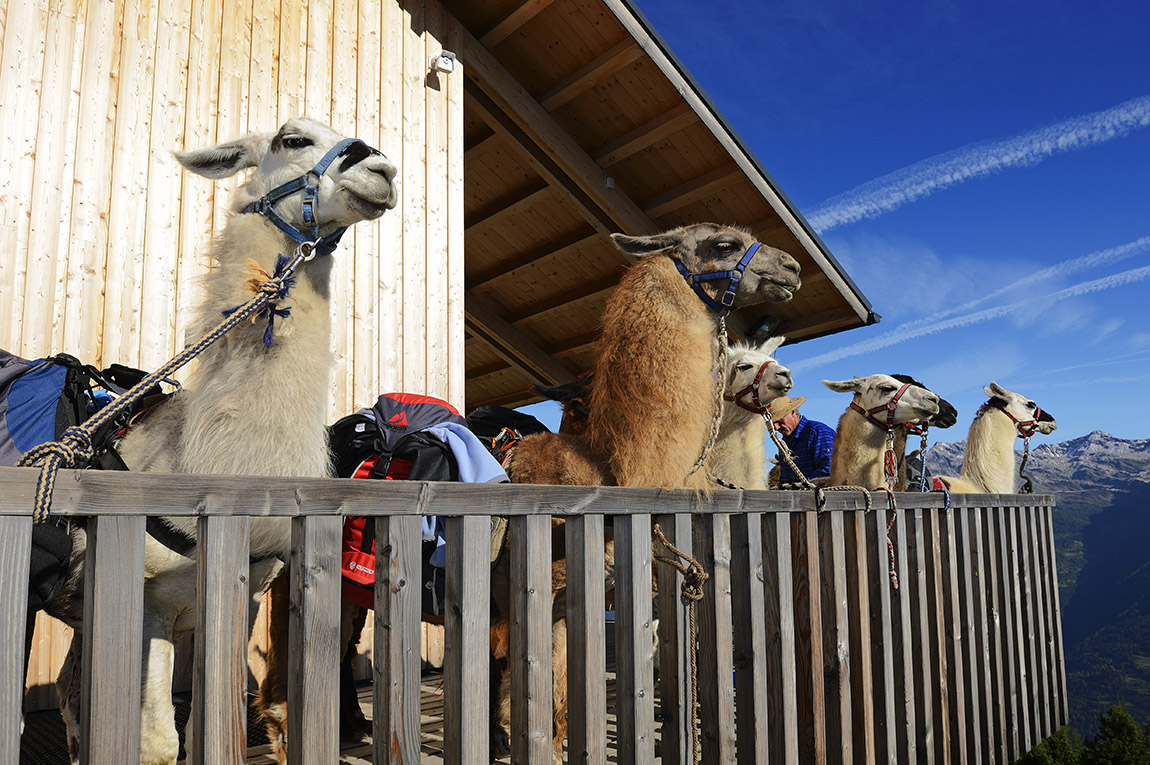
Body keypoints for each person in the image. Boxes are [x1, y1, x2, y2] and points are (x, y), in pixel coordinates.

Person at [769, 395, 836, 486]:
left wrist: (800, 487)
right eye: (773, 424)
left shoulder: (818, 432)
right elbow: (784, 479)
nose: (776, 428)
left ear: (793, 412)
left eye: (780, 421)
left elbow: (829, 470)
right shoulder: (784, 444)